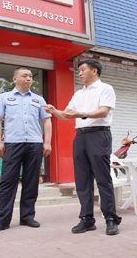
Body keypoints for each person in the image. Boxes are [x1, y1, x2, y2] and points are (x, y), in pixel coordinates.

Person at [45, 59, 122, 236]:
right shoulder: (78, 94)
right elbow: (67, 115)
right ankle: (87, 219)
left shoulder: (106, 88)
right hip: (80, 136)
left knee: (103, 178)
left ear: (94, 71)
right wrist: (54, 111)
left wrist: (83, 114)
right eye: (78, 70)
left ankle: (111, 218)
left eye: (82, 70)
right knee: (82, 179)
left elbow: (104, 111)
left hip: (99, 134)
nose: (79, 73)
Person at [0, 67, 52, 234]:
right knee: (8, 182)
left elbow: (46, 121)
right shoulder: (4, 97)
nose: (28, 78)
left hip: (34, 144)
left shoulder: (38, 99)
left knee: (31, 182)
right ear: (15, 79)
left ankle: (27, 216)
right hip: (13, 143)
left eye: (30, 76)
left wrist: (47, 143)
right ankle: (2, 220)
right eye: (24, 76)